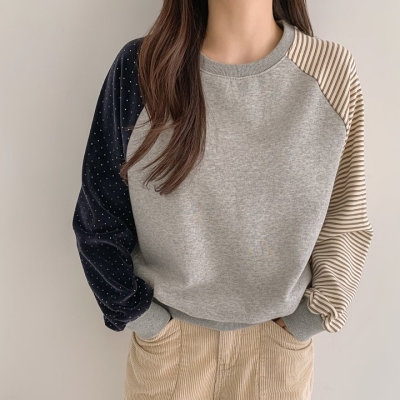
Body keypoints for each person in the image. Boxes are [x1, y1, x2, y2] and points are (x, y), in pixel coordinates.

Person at [72, 1, 374, 399]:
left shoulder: (330, 72)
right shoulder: (143, 67)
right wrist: (147, 321)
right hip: (169, 351)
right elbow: (99, 215)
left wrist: (308, 321)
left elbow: (347, 220)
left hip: (276, 356)